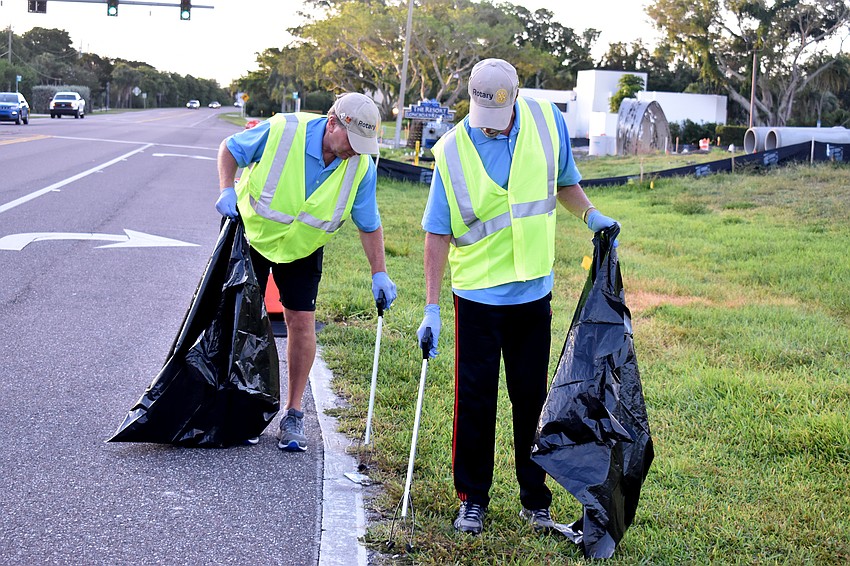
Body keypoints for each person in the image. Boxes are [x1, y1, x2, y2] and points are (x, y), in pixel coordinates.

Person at [416, 59, 618, 535]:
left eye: (496, 113)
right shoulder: (451, 150)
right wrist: (431, 307)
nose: (486, 124)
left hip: (533, 293)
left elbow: (565, 182)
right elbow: (435, 233)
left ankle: (536, 500)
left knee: (532, 401)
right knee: (476, 402)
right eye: (480, 112)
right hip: (478, 297)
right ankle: (472, 499)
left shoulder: (548, 124)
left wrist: (591, 217)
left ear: (516, 96)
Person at [215, 92, 397, 452]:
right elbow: (231, 149)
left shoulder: (360, 167)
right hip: (251, 234)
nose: (356, 151)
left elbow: (369, 223)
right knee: (237, 319)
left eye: (364, 145)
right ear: (333, 123)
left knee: (301, 323)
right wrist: (224, 190)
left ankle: (293, 413)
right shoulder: (283, 130)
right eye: (352, 141)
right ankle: (239, 407)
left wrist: (380, 272)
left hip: (302, 248)